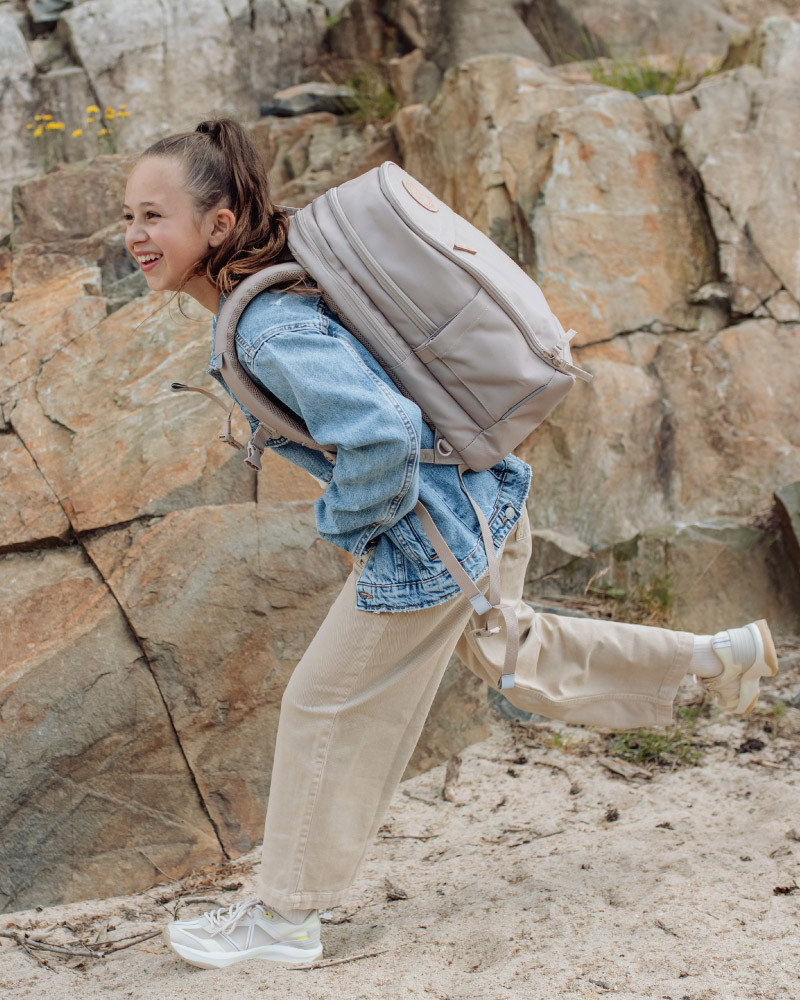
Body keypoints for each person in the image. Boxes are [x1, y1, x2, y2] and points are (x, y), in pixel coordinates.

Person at [121, 118, 779, 970]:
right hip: (480, 498)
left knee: (323, 705)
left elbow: (384, 431)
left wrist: (350, 525)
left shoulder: (264, 327)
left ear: (216, 227)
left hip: (430, 536)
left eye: (153, 216)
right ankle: (713, 658)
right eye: (128, 217)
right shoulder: (281, 293)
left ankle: (284, 920)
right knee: (514, 648)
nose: (135, 236)